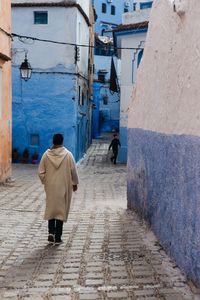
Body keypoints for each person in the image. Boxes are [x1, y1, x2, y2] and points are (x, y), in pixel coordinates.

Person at [38, 133, 79, 245]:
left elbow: (40, 172)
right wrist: (74, 183)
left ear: (53, 141)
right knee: (61, 210)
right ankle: (58, 237)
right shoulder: (68, 155)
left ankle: (51, 232)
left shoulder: (46, 155)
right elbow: (74, 171)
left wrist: (47, 181)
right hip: (64, 187)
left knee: (51, 208)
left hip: (51, 187)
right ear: (62, 141)